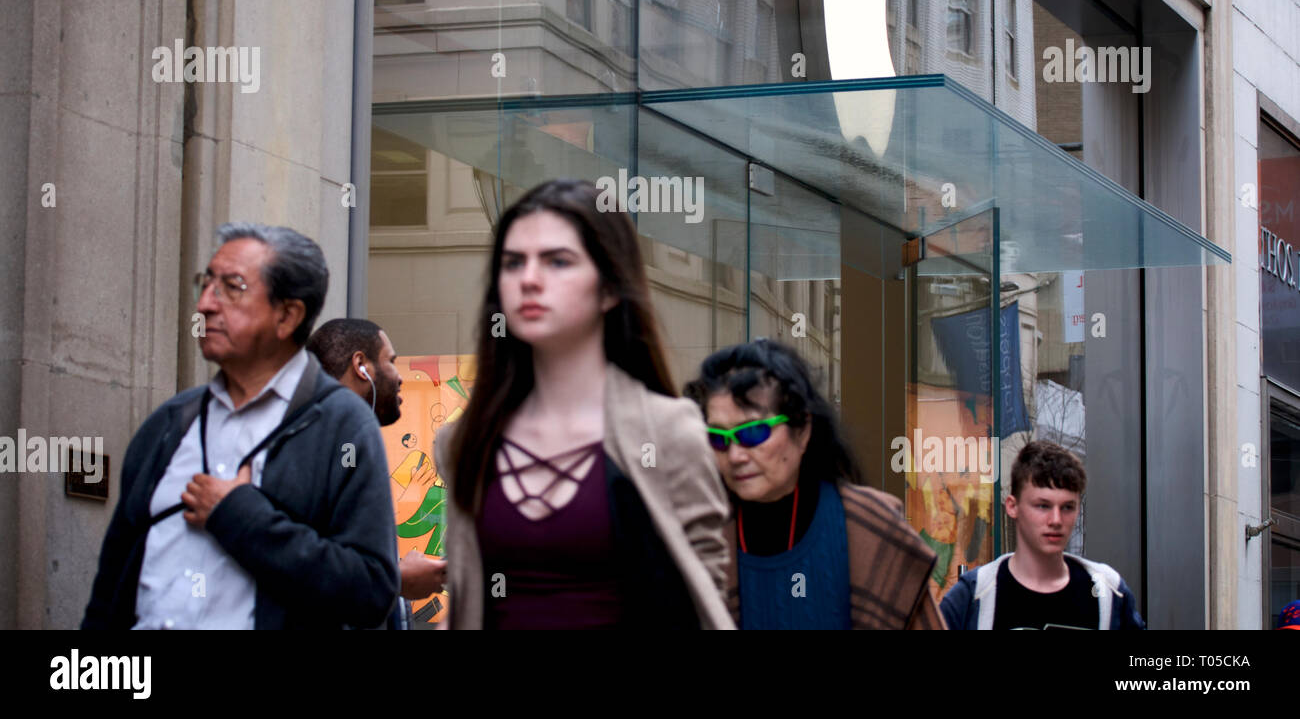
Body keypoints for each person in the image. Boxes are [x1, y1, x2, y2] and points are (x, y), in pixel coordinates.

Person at [436, 178, 733, 629]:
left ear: (611, 289)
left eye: (558, 261)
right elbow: (464, 597)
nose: (530, 280)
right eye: (513, 263)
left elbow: (702, 591)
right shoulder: (463, 442)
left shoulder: (669, 432)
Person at [82, 224, 399, 629]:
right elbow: (108, 597)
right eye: (206, 283)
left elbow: (370, 592)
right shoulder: (168, 424)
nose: (205, 304)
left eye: (231, 287)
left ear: (287, 315)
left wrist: (242, 517)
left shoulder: (342, 427)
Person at [684, 338, 946, 629]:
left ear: (802, 429)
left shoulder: (872, 529)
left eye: (753, 432)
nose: (735, 455)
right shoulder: (695, 534)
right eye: (718, 438)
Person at [307, 317, 448, 626]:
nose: (399, 377)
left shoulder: (352, 448)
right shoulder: (309, 451)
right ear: (361, 366)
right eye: (391, 362)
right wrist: (395, 579)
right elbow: (299, 569)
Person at [939, 440, 1145, 630]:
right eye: (1043, 506)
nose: (1056, 520)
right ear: (1012, 506)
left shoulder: (1108, 593)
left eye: (1067, 507)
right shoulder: (974, 595)